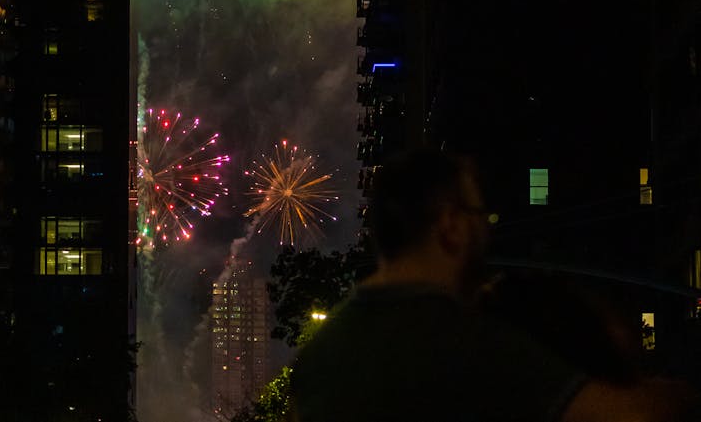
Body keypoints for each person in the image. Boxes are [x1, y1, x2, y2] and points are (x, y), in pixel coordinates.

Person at [290, 149, 697, 422]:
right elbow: (631, 415)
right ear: (450, 226)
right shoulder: (463, 341)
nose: (486, 229)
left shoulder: (320, 355)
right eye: (478, 213)